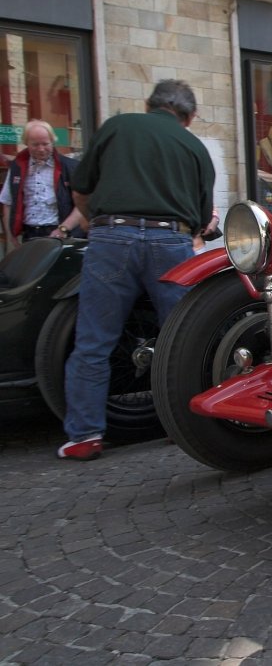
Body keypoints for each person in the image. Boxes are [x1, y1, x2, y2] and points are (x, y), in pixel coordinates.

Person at [58, 80, 215, 461]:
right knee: (184, 339)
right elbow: (201, 216)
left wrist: (98, 220)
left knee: (94, 340)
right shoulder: (194, 146)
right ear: (189, 116)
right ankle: (185, 427)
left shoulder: (116, 126)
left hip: (112, 235)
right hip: (169, 240)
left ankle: (84, 435)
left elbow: (80, 188)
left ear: (149, 105)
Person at [1, 119, 86, 248]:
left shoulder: (70, 167)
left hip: (63, 234)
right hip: (29, 234)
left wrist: (63, 229)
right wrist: (11, 236)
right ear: (26, 143)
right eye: (35, 145)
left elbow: (83, 203)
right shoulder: (16, 168)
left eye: (45, 144)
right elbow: (8, 203)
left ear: (52, 141)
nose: (41, 149)